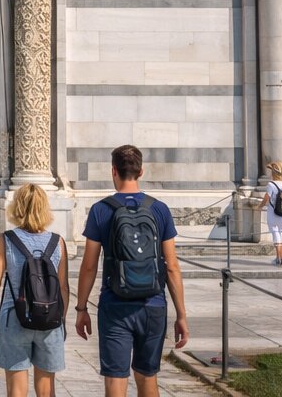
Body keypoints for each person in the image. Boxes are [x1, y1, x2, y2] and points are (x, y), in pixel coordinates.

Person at [75, 145, 188, 397]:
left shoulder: (100, 210)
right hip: (153, 304)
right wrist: (181, 315)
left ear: (113, 171)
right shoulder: (159, 209)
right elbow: (171, 266)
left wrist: (81, 308)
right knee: (147, 377)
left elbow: (89, 265)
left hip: (115, 305)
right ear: (141, 171)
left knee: (116, 379)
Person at [0, 184, 68, 397]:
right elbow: (63, 287)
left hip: (14, 318)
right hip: (49, 318)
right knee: (46, 391)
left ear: (17, 207)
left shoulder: (6, 240)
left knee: (16, 391)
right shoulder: (58, 242)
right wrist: (60, 321)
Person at [257, 161, 282, 266]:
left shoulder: (271, 185)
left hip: (273, 212)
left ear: (273, 173)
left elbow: (266, 198)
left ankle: (278, 258)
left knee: (275, 233)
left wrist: (260, 206)